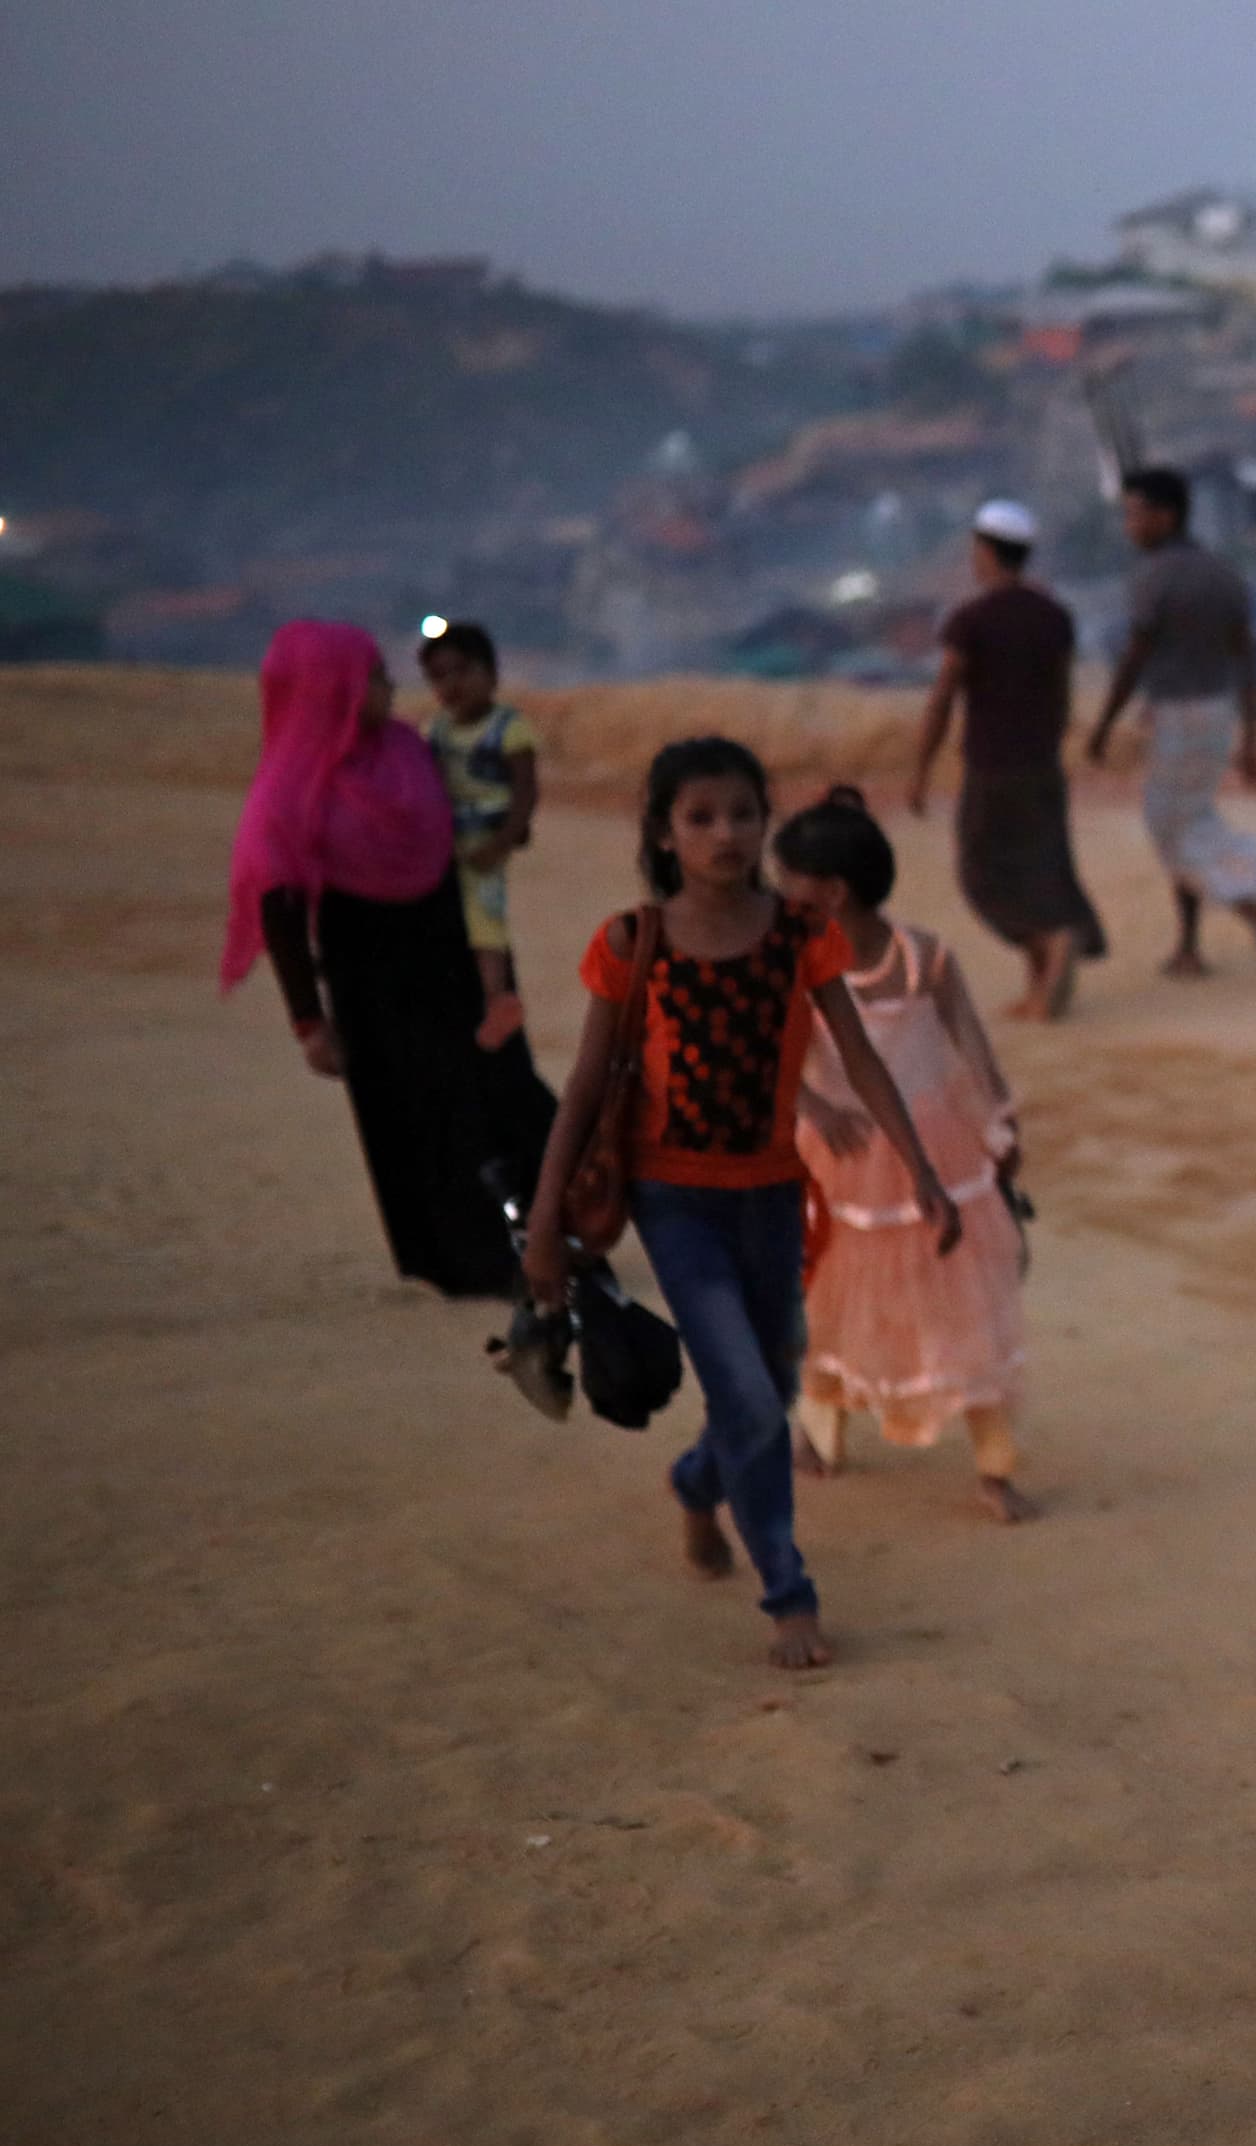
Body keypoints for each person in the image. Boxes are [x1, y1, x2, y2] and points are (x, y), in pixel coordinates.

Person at [519, 738, 961, 1670]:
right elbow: (588, 1086)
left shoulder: (802, 935)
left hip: (773, 1199)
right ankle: (788, 1596)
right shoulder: (631, 943)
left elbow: (861, 1058)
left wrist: (921, 1169)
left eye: (744, 815)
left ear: (766, 823)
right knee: (755, 1398)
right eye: (702, 817)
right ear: (666, 833)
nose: (727, 834)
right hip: (673, 1200)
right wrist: (546, 1223)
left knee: (769, 1378)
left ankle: (694, 1481)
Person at [227, 620, 558, 1297]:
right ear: (333, 690)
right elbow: (281, 910)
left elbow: (477, 818)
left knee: (499, 1100)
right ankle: (462, 1265)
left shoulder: (410, 750)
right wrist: (309, 1023)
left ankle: (554, 1239)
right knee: (416, 1124)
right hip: (369, 979)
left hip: (449, 956)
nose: (388, 688)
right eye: (373, 677)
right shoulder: (291, 791)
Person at [771, 787, 1038, 1526]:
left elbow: (971, 1052)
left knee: (961, 1309)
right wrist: (815, 1107)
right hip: (839, 1160)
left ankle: (995, 1465)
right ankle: (821, 1433)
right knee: (829, 1297)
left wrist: (1001, 1131)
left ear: (831, 892)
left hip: (934, 1158)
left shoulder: (926, 958)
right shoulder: (794, 962)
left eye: (789, 880)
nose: (778, 894)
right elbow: (773, 1050)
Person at [1089, 465, 1256, 987]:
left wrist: (1103, 724)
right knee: (1189, 820)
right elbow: (1247, 659)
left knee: (1172, 829)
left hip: (1176, 714)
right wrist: (1250, 738)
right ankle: (1189, 946)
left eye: (1136, 513)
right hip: (1218, 712)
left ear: (1165, 515)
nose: (1129, 525)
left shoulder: (1153, 577)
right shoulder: (1222, 573)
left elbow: (1135, 657)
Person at [913, 500, 1105, 1021]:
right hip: (1041, 766)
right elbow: (1063, 693)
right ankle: (1041, 988)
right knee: (1043, 869)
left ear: (985, 552)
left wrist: (920, 770)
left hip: (992, 767)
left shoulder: (971, 620)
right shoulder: (1054, 616)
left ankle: (1050, 938)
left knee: (982, 873)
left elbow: (943, 698)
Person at [415, 620, 543, 1051]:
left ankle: (498, 1001)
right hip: (444, 846)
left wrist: (505, 838)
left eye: (462, 671)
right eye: (439, 676)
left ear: (491, 673)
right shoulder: (437, 731)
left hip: (485, 844)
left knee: (485, 923)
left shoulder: (510, 728)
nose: (452, 685)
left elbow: (526, 790)